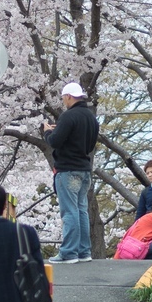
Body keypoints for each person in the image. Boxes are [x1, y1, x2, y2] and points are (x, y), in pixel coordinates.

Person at [42, 82, 99, 263]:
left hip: (68, 170)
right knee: (81, 209)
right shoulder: (91, 118)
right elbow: (90, 144)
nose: (63, 101)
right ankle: (84, 251)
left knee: (69, 211)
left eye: (63, 98)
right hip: (85, 169)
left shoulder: (69, 116)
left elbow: (55, 141)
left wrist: (47, 133)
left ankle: (68, 252)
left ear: (68, 96)